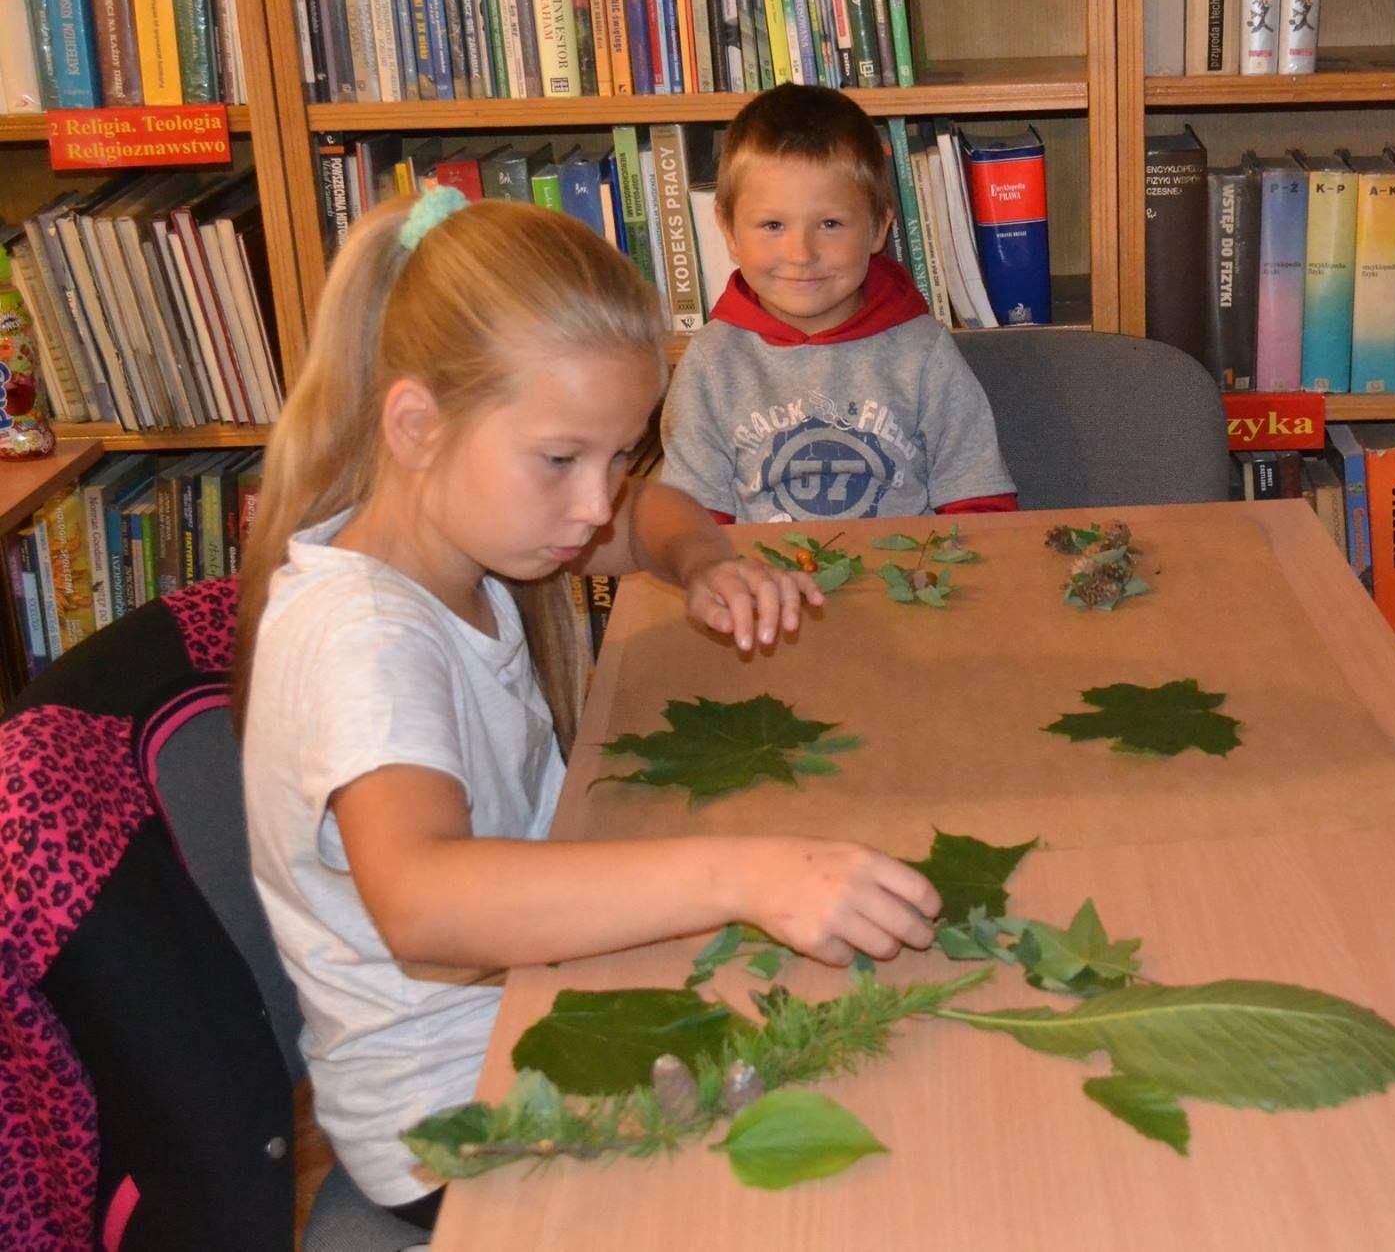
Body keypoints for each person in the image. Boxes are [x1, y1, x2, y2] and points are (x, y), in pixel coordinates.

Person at [236, 189, 941, 1227]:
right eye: (562, 459)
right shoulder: (363, 642)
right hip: (459, 1121)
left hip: (534, 1016)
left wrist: (700, 558)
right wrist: (741, 871)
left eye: (615, 455)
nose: (592, 505)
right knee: (886, 1160)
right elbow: (426, 908)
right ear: (417, 424)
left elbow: (644, 516)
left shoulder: (455, 525)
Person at [661, 82, 1018, 523]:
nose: (801, 253)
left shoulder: (923, 352)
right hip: (762, 588)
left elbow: (979, 502)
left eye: (830, 223)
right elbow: (690, 524)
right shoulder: (712, 363)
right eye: (772, 225)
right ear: (729, 231)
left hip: (903, 582)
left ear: (877, 228)